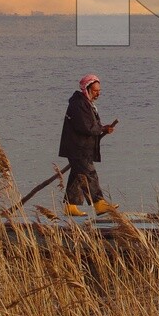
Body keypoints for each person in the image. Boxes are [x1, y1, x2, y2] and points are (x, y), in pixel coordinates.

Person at [59, 73, 119, 216]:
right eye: (95, 91)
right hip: (77, 148)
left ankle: (70, 207)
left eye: (99, 91)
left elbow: (91, 125)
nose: (98, 94)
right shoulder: (78, 104)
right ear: (86, 89)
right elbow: (85, 127)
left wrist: (103, 128)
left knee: (77, 176)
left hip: (81, 147)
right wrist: (102, 129)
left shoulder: (86, 103)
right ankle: (99, 204)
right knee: (90, 173)